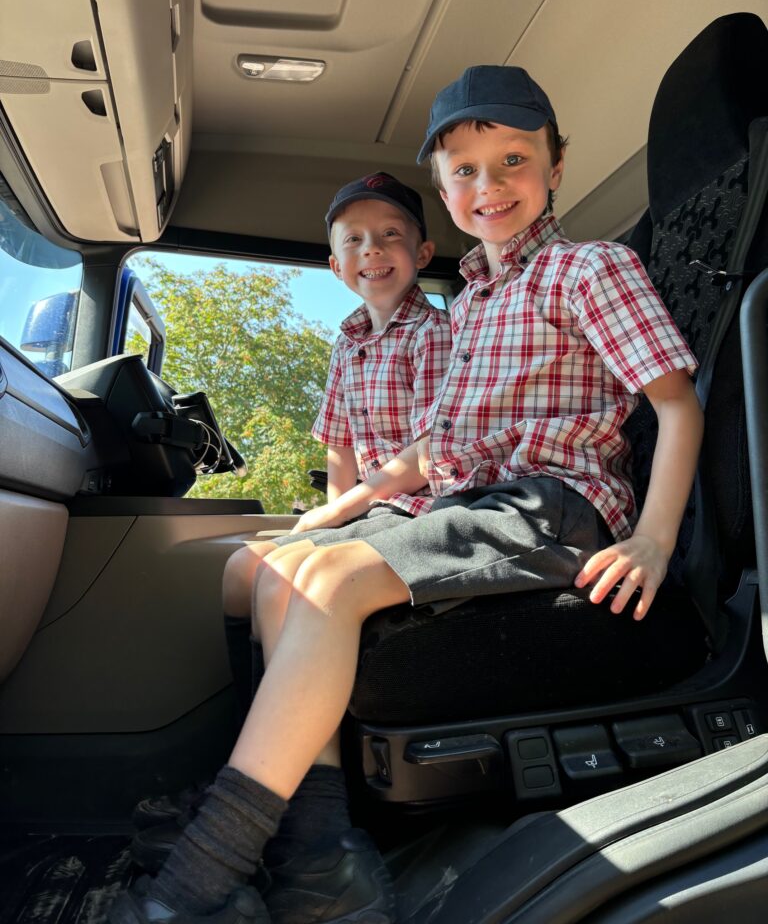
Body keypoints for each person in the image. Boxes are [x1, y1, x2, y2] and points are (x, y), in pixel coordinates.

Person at [111, 66, 703, 924]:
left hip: (553, 502)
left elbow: (675, 402)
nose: (489, 186)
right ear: (443, 185)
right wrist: (338, 509)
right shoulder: (468, 306)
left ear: (557, 165)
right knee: (272, 572)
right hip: (470, 504)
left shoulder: (589, 269)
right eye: (464, 171)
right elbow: (436, 450)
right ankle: (319, 861)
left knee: (330, 580)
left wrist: (652, 537)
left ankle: (204, 882)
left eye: (512, 160)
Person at [123, 173, 452, 894]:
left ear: (424, 250)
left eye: (391, 235)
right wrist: (339, 513)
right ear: (335, 267)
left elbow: (438, 448)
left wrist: (342, 518)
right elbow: (338, 446)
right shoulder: (348, 342)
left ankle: (299, 821)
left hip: (429, 508)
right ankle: (266, 778)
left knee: (290, 568)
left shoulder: (440, 332)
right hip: (376, 509)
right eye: (354, 242)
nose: (374, 252)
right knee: (243, 569)